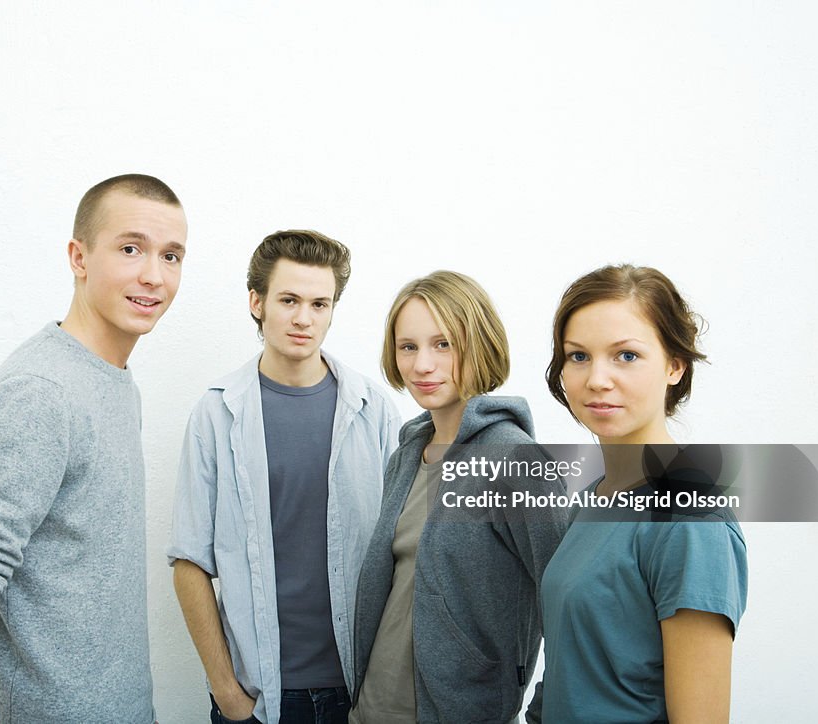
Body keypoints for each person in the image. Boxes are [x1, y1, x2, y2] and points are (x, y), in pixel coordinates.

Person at [0, 174, 187, 724]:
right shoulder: (42, 392)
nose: (154, 276)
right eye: (131, 249)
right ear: (78, 257)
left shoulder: (112, 381)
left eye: (172, 256)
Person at [168, 230, 401, 724]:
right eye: (289, 300)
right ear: (257, 302)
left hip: (361, 691)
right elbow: (189, 562)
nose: (303, 318)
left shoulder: (373, 410)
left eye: (320, 303)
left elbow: (403, 550)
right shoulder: (217, 413)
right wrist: (228, 693)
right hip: (260, 696)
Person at [526, 264, 748, 723]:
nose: (597, 380)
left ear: (674, 365)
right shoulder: (593, 498)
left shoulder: (690, 519)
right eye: (578, 356)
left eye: (626, 355)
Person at [349, 271, 569, 724]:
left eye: (443, 344)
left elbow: (567, 602)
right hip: (371, 707)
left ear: (479, 343)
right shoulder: (408, 452)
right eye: (408, 346)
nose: (422, 365)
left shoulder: (518, 461)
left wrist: (546, 710)